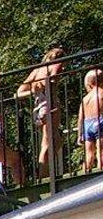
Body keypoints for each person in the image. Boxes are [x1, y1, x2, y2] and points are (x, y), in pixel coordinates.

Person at [18, 45, 67, 179]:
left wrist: (34, 91)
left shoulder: (36, 71)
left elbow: (18, 93)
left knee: (57, 140)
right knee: (47, 143)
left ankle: (45, 171)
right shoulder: (56, 65)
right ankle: (43, 177)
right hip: (50, 106)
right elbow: (52, 79)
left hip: (38, 108)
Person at [82, 69, 103, 175]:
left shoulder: (85, 98)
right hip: (99, 121)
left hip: (87, 124)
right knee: (101, 150)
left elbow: (81, 117)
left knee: (89, 153)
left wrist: (80, 134)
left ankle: (85, 173)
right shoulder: (101, 93)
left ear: (89, 83)